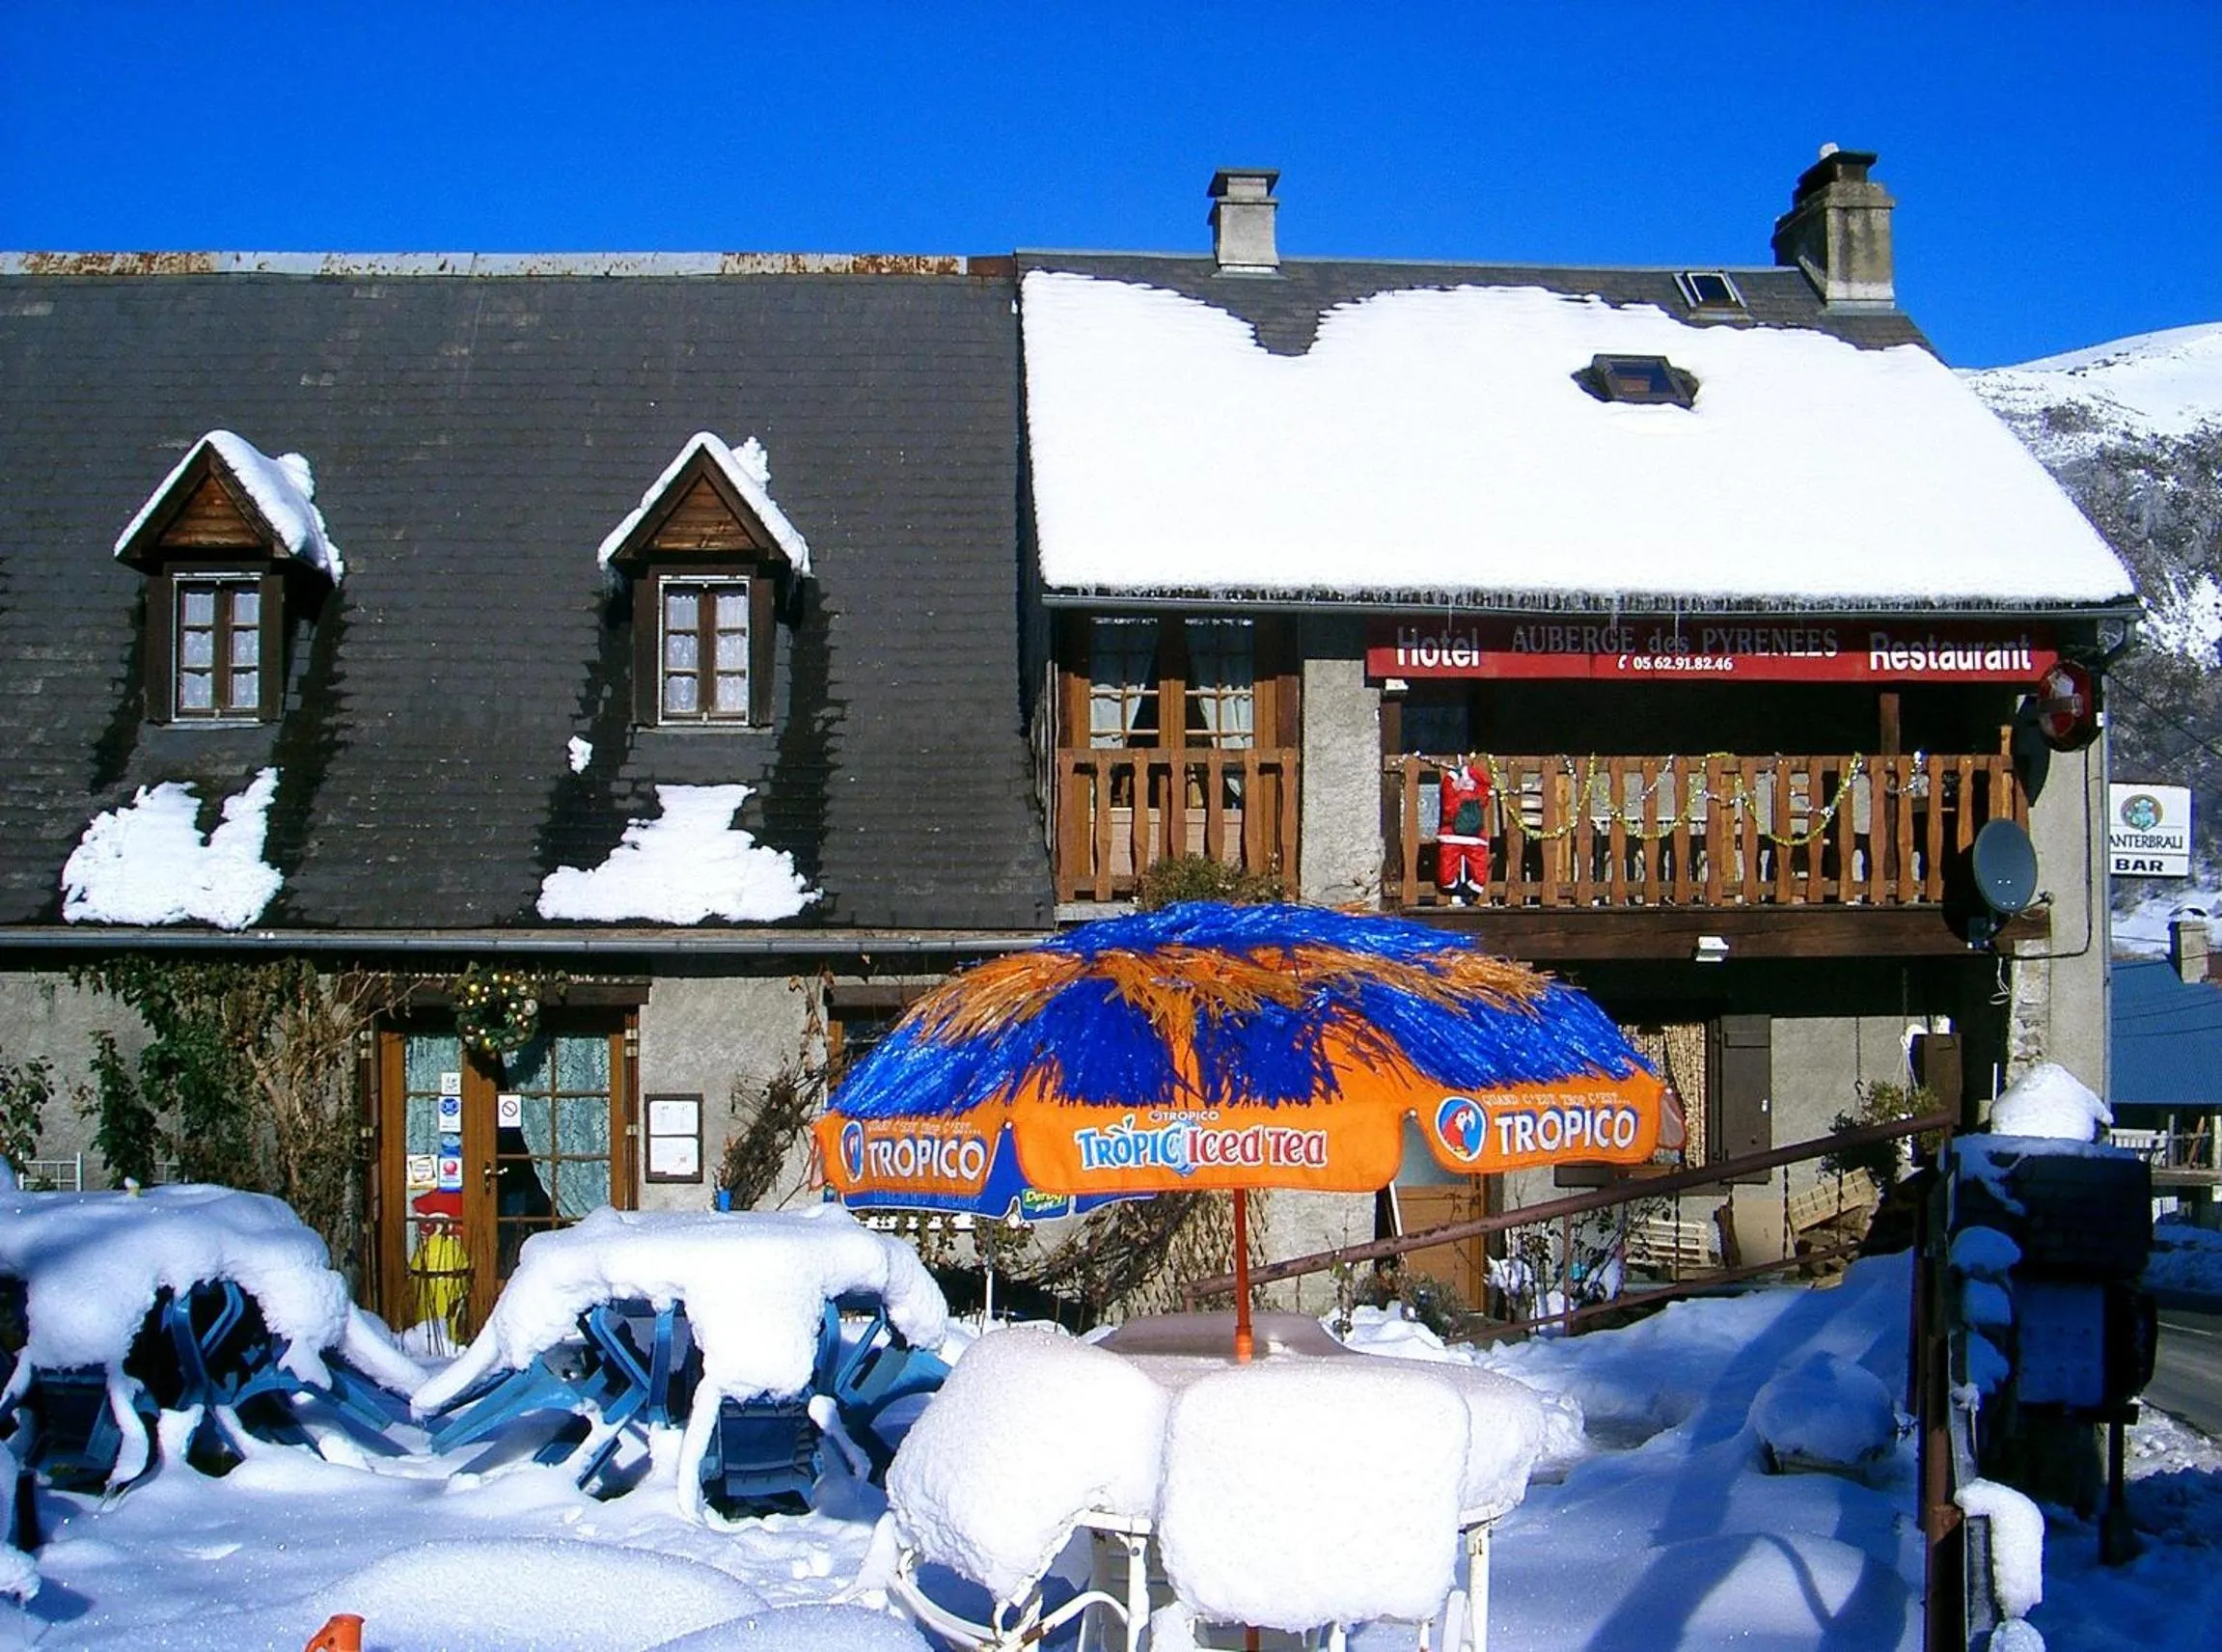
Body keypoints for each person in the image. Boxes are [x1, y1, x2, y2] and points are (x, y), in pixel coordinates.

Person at [1437, 757, 1492, 903]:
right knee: (1478, 863)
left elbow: (1447, 792)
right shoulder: (1479, 797)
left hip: (1451, 837)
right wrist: (1471, 772)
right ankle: (1475, 885)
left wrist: (1454, 774)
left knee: (1447, 863)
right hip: (1475, 838)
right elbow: (1486, 785)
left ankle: (1452, 884)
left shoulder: (1453, 797)